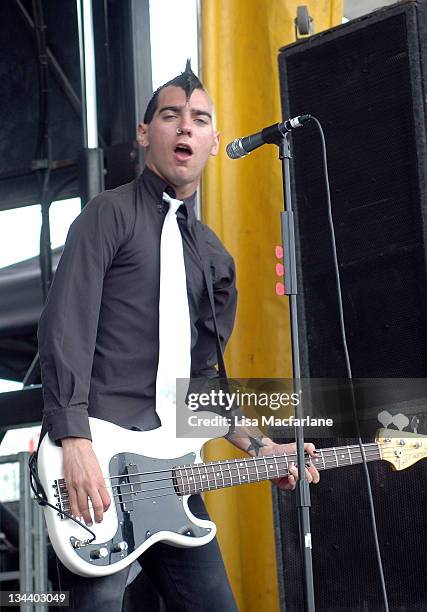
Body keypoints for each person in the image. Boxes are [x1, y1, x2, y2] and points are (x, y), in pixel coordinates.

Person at [38, 62, 319, 612]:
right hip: (100, 461)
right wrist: (74, 440)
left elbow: (202, 384)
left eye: (199, 119)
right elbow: (63, 328)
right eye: (170, 115)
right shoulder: (107, 216)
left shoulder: (213, 258)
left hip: (173, 476)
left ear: (215, 142)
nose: (185, 127)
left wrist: (264, 447)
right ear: (146, 134)